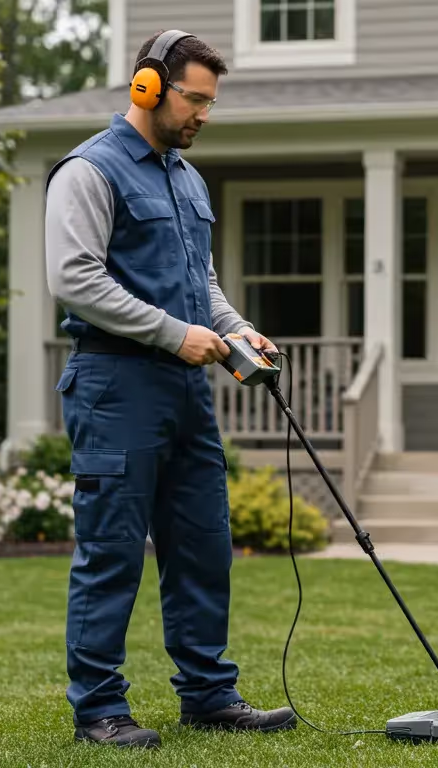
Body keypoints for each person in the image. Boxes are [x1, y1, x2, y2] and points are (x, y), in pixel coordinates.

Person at [43, 29, 295, 749]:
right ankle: (99, 709)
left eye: (211, 103)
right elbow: (77, 280)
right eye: (195, 99)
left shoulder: (187, 177)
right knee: (112, 550)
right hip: (115, 385)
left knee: (203, 544)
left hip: (186, 391)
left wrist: (236, 329)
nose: (203, 116)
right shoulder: (89, 172)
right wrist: (172, 334)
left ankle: (209, 696)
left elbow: (200, 282)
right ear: (148, 87)